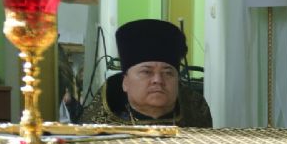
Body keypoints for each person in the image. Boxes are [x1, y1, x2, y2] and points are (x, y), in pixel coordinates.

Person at [80, 19, 212, 127]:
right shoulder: (98, 123)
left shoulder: (196, 113)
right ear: (125, 82)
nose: (158, 80)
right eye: (147, 72)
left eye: (167, 73)